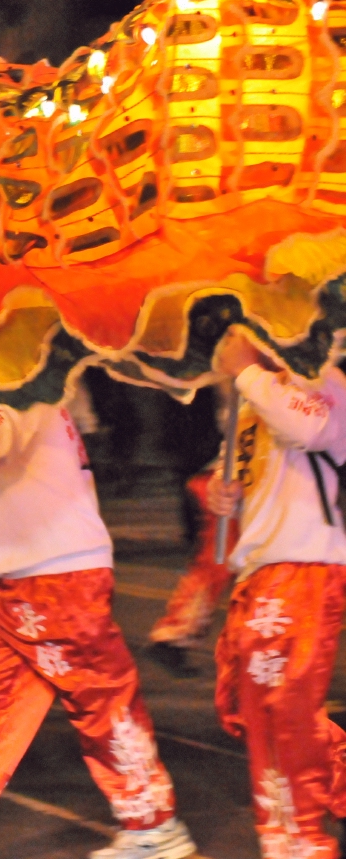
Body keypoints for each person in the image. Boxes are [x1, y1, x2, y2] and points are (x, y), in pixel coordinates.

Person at [0, 399, 195, 859]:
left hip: (53, 575)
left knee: (100, 699)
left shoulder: (15, 382)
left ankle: (153, 825)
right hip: (25, 574)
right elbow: (20, 475)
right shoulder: (15, 387)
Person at [208, 331, 346, 858]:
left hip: (305, 564)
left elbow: (311, 427)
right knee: (249, 707)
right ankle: (306, 813)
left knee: (281, 710)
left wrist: (246, 372)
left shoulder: (321, 378)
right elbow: (254, 480)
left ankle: (298, 840)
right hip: (260, 571)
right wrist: (229, 498)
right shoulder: (251, 399)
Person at [144, 467, 236, 678]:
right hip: (222, 484)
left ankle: (175, 636)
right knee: (215, 566)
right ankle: (173, 636)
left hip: (219, 481)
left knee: (220, 565)